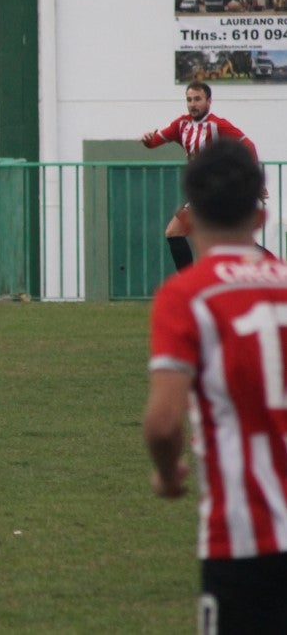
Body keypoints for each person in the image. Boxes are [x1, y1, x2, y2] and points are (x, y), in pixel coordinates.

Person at [143, 139, 287, 633]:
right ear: (260, 217)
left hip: (244, 537)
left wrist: (167, 474)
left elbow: (163, 425)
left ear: (190, 215)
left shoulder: (186, 295)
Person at [142, 80, 260, 272]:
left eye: (197, 99)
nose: (192, 104)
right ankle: (190, 283)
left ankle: (271, 272)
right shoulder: (181, 125)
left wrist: (254, 181)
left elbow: (249, 146)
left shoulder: (218, 125)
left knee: (223, 240)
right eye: (189, 99)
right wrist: (148, 140)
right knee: (176, 233)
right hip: (202, 193)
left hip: (221, 190)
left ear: (209, 101)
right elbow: (154, 142)